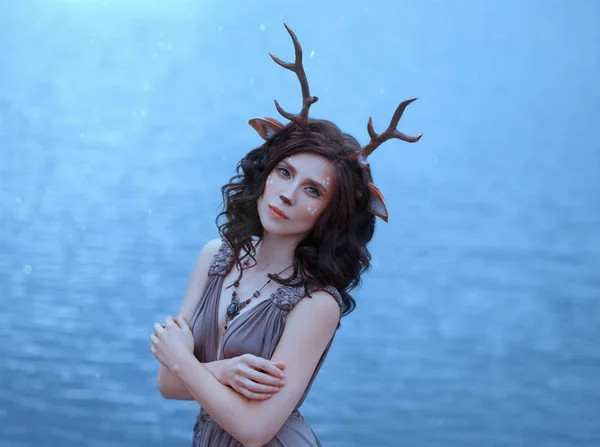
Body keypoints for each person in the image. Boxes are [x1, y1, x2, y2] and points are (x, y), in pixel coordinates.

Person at [149, 23, 422, 447]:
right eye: (285, 172)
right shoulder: (213, 258)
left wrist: (185, 360)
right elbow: (166, 383)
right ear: (266, 173)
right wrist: (218, 372)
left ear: (330, 214)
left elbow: (255, 429)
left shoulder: (317, 304)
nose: (289, 194)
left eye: (312, 190)